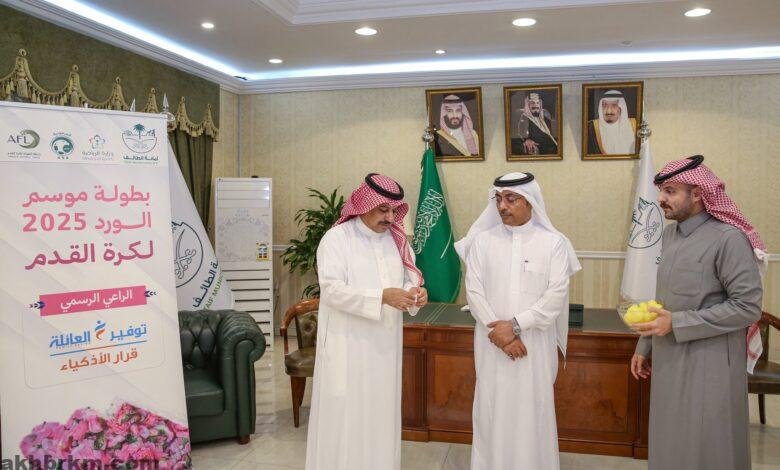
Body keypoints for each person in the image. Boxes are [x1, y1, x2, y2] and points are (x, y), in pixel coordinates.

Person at [630, 155, 766, 470]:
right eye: (661, 191)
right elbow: (664, 298)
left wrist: (677, 323)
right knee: (670, 439)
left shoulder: (729, 239)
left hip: (710, 361)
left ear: (698, 193)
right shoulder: (669, 235)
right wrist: (644, 345)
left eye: (670, 191)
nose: (661, 199)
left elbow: (747, 307)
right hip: (669, 356)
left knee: (707, 442)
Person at [454, 172, 581, 470]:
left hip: (534, 343)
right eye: (499, 199)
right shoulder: (482, 242)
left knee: (532, 411)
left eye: (511, 199)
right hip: (491, 343)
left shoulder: (554, 243)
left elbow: (555, 295)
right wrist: (500, 333)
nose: (502, 206)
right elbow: (474, 292)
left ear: (531, 201)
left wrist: (514, 326)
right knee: (492, 409)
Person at [305, 173, 428, 470]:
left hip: (385, 346)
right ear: (363, 204)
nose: (390, 218)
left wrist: (415, 295)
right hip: (348, 345)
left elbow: (408, 280)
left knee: (381, 412)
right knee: (346, 414)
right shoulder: (337, 239)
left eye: (394, 211)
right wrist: (382, 297)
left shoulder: (397, 240)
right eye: (383, 209)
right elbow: (332, 290)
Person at [587, 89, 637, 155]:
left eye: (614, 105)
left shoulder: (635, 125)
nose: (609, 111)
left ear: (621, 108)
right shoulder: (590, 128)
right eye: (605, 105)